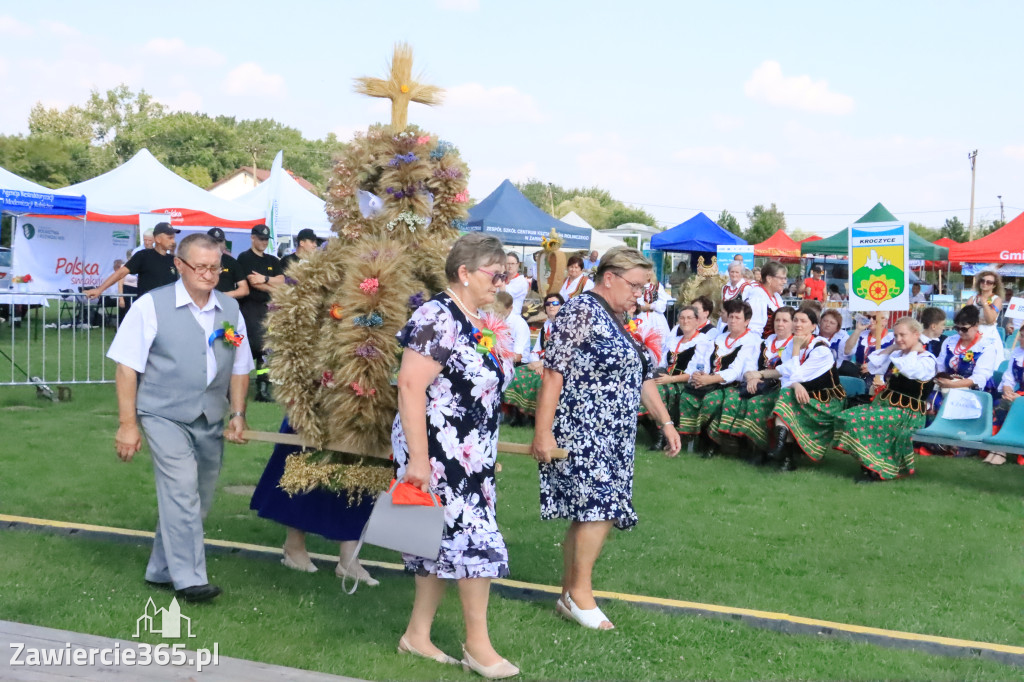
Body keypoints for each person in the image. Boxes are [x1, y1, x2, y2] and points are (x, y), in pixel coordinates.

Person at [531, 246, 680, 632]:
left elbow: (642, 376)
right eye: (635, 285)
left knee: (595, 511)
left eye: (645, 288)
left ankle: (570, 594)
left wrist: (665, 422)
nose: (638, 294)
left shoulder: (618, 316)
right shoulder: (580, 310)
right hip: (583, 428)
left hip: (614, 433)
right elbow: (553, 372)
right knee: (599, 509)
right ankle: (581, 594)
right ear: (609, 277)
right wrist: (543, 433)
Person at [391, 232, 519, 677]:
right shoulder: (436, 315)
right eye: (494, 273)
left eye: (505, 274)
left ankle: (416, 636)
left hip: (470, 452)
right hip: (438, 449)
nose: (501, 282)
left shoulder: (476, 319)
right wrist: (419, 461)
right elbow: (410, 386)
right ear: (464, 273)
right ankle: (478, 646)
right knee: (476, 545)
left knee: (435, 545)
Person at [106, 233, 253, 602]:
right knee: (182, 489)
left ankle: (161, 568)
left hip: (210, 415)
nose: (210, 274)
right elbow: (126, 367)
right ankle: (189, 579)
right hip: (162, 413)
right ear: (180, 265)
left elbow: (240, 366)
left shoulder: (230, 311)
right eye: (201, 267)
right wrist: (128, 424)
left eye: (215, 267)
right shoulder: (151, 306)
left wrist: (238, 413)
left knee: (198, 498)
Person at [249, 419, 378, 585]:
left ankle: (349, 557)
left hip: (364, 405)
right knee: (304, 464)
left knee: (361, 470)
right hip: (316, 403)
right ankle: (294, 547)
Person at [834, 317, 937, 482]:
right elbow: (874, 363)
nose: (898, 339)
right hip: (886, 405)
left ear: (916, 334)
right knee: (846, 416)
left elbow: (909, 371)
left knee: (859, 421)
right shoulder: (897, 353)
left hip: (908, 412)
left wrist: (912, 351)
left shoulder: (926, 359)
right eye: (895, 335)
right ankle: (867, 463)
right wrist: (893, 347)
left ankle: (876, 469)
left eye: (902, 335)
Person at [764, 307, 846, 471]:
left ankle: (783, 453)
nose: (798, 324)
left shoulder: (821, 350)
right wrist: (759, 374)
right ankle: (783, 454)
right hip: (802, 395)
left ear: (814, 326)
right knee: (780, 399)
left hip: (826, 401)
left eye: (803, 321)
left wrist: (795, 351)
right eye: (795, 320)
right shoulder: (793, 344)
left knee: (786, 396)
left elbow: (795, 376)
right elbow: (785, 372)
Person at [678, 298, 760, 456]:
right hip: (711, 381)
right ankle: (688, 438)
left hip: (734, 385)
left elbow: (736, 371)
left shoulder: (751, 341)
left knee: (711, 400)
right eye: (730, 317)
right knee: (687, 396)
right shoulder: (720, 338)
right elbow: (704, 360)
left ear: (747, 321)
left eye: (737, 318)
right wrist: (700, 374)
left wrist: (710, 379)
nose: (733, 321)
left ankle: (712, 442)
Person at [719, 306, 794, 458]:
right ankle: (736, 444)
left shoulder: (794, 346)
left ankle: (760, 449)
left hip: (778, 388)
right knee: (733, 398)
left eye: (785, 321)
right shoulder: (763, 343)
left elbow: (789, 371)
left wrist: (759, 376)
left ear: (793, 324)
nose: (780, 324)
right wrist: (751, 377)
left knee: (755, 404)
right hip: (756, 384)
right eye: (777, 320)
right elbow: (749, 364)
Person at [237, 224, 284, 403]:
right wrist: (274, 287)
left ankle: (263, 387)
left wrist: (265, 278)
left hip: (269, 309)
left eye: (266, 239)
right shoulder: (245, 258)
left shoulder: (272, 260)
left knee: (268, 347)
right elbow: (252, 283)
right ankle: (237, 384)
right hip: (251, 307)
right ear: (252, 238)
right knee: (254, 345)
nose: (263, 242)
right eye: (260, 238)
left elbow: (282, 281)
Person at [652, 306, 706, 451]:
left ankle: (661, 436)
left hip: (684, 382)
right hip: (665, 378)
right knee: (648, 388)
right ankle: (654, 430)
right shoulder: (673, 340)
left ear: (697, 321)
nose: (685, 321)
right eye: (682, 318)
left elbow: (695, 373)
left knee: (659, 392)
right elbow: (661, 363)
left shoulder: (702, 341)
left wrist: (669, 380)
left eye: (689, 318)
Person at [504, 293, 563, 420]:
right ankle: (517, 415)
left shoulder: (566, 328)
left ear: (562, 306)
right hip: (540, 365)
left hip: (556, 368)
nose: (551, 307)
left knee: (539, 381)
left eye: (555, 304)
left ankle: (533, 418)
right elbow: (535, 351)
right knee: (515, 374)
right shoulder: (546, 326)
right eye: (548, 304)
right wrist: (535, 363)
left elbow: (563, 355)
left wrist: (542, 363)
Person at [86, 222, 180, 301]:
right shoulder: (143, 255)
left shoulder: (173, 260)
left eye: (174, 238)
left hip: (167, 307)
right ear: (158, 239)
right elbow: (120, 273)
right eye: (170, 238)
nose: (173, 241)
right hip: (147, 307)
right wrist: (100, 290)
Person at [985, 330, 1024, 465]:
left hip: (1021, 398)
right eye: (1021, 336)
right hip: (1019, 395)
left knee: (1014, 406)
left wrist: (1018, 399)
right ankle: (998, 448)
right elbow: (1009, 378)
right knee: (1001, 403)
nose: (1019, 340)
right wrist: (1008, 391)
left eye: (1023, 337)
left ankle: (1001, 451)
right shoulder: (1018, 353)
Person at [844, 311, 893, 391]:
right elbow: (847, 350)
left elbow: (893, 364)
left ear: (885, 321)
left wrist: (873, 366)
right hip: (859, 377)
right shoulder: (862, 335)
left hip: (879, 381)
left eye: (874, 318)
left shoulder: (891, 339)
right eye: (868, 317)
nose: (870, 320)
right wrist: (858, 330)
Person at [744, 261, 787, 337]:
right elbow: (753, 327)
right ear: (769, 279)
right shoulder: (757, 295)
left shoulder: (776, 296)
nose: (784, 282)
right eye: (781, 278)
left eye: (785, 278)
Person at [637, 270, 671, 367]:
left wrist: (651, 306)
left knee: (660, 340)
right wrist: (642, 306)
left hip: (656, 317)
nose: (647, 273)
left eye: (649, 271)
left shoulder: (657, 286)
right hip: (642, 316)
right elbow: (638, 303)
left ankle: (659, 365)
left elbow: (663, 301)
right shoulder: (638, 285)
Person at [206, 228, 249, 300]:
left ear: (224, 243)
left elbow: (244, 289)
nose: (217, 245)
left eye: (220, 241)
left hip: (226, 303)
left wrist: (223, 296)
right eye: (213, 242)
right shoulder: (198, 260)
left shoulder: (232, 262)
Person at [493, 291, 530, 363]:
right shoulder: (493, 320)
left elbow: (517, 357)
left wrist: (498, 358)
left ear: (510, 308)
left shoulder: (519, 324)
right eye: (494, 311)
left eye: (500, 312)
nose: (496, 315)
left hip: (518, 363)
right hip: (498, 359)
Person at [967, 271, 1004, 339]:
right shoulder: (972, 299)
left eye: (989, 282)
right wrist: (981, 321)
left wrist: (984, 303)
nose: (985, 283)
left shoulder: (997, 299)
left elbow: (990, 320)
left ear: (994, 285)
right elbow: (965, 318)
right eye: (982, 281)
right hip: (973, 334)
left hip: (989, 334)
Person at [717, 261, 750, 334]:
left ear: (742, 274)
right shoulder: (725, 288)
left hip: (737, 322)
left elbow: (747, 309)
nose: (734, 274)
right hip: (725, 322)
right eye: (732, 272)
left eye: (737, 272)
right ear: (728, 273)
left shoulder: (746, 288)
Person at [501, 252, 530, 318]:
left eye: (512, 263)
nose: (510, 266)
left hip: (513, 318)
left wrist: (501, 273)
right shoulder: (503, 279)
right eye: (508, 263)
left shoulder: (521, 281)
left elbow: (505, 295)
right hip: (499, 317)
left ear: (518, 264)